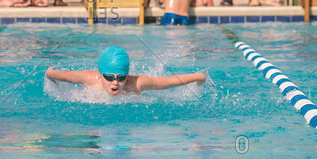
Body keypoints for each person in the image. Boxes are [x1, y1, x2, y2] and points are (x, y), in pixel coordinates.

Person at [45, 46, 206, 97]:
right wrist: (50, 73)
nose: (115, 83)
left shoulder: (136, 83)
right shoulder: (89, 78)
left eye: (121, 77)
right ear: (101, 74)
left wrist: (198, 77)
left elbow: (169, 81)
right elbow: (65, 75)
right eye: (109, 77)